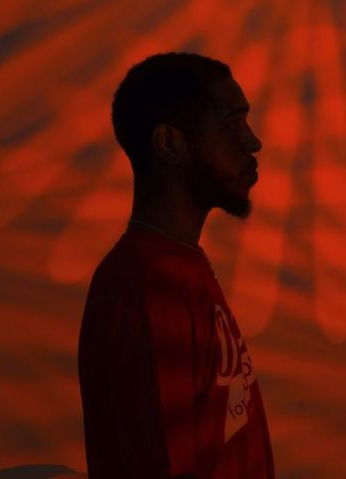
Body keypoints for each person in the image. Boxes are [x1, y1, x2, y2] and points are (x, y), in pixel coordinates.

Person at [78, 52, 274, 478]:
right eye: (232, 123)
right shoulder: (146, 288)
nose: (253, 141)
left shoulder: (179, 266)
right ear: (169, 144)